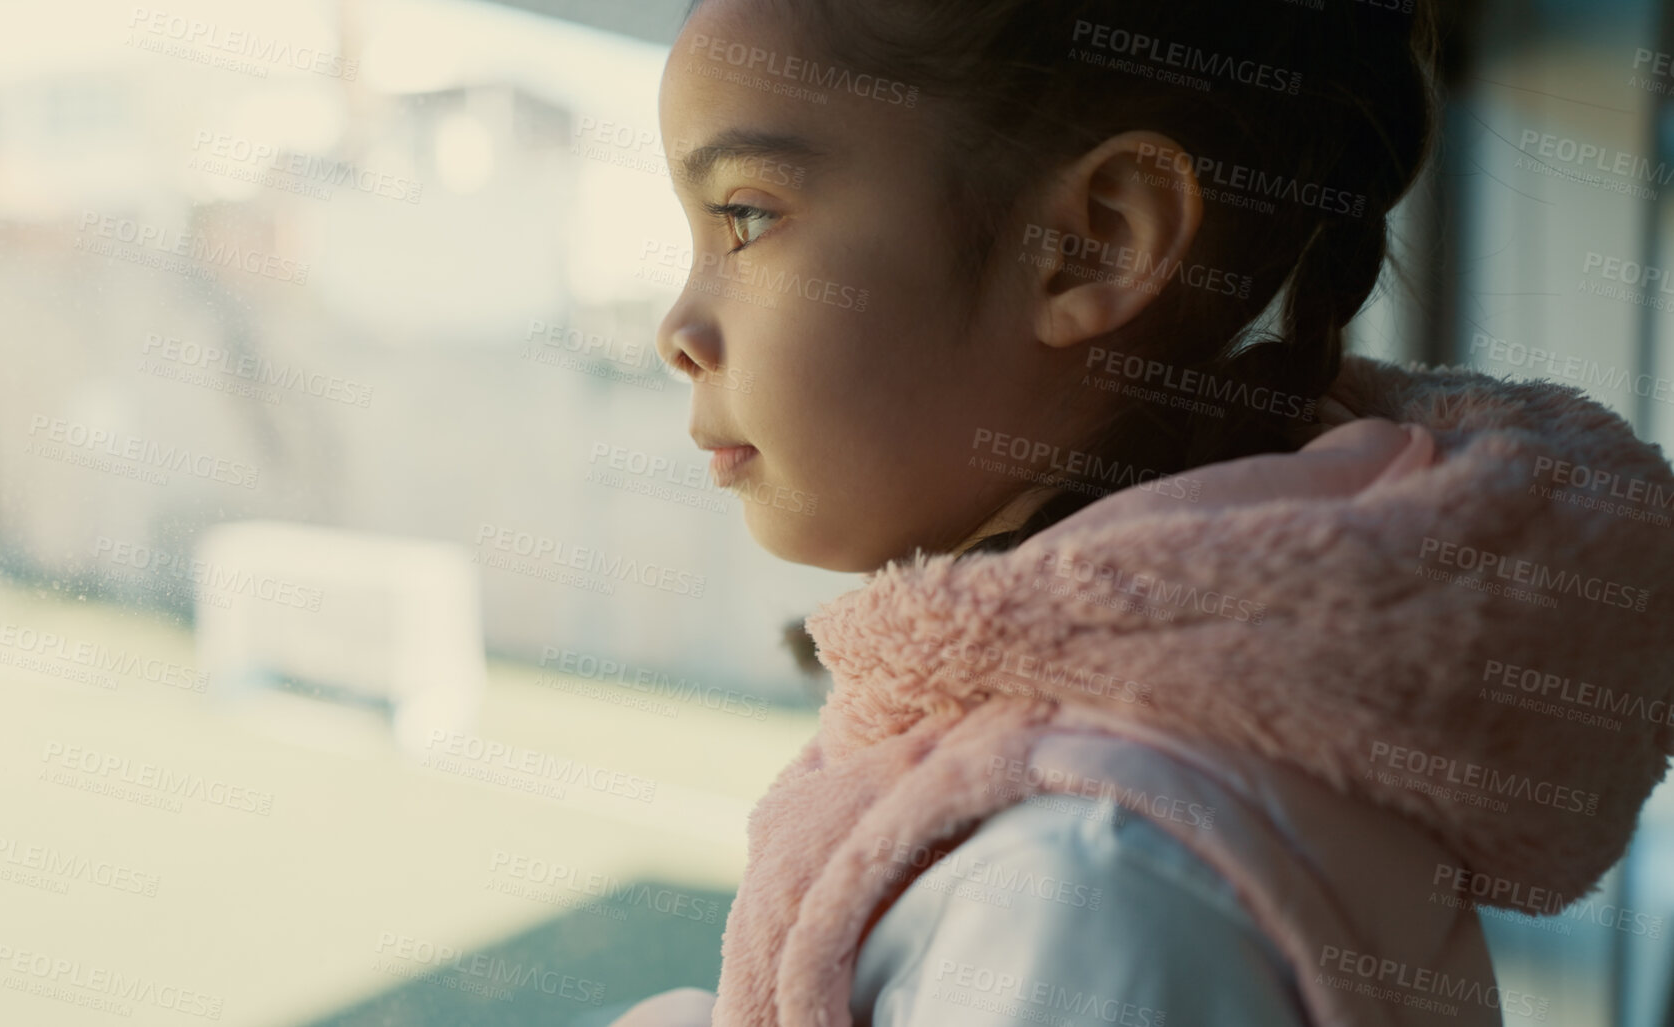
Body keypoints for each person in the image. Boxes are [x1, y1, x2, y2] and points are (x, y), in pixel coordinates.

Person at [615, 0, 1674, 1023]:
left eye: (746, 218)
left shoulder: (1091, 882)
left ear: (1095, 242)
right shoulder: (1109, 799)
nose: (676, 327)